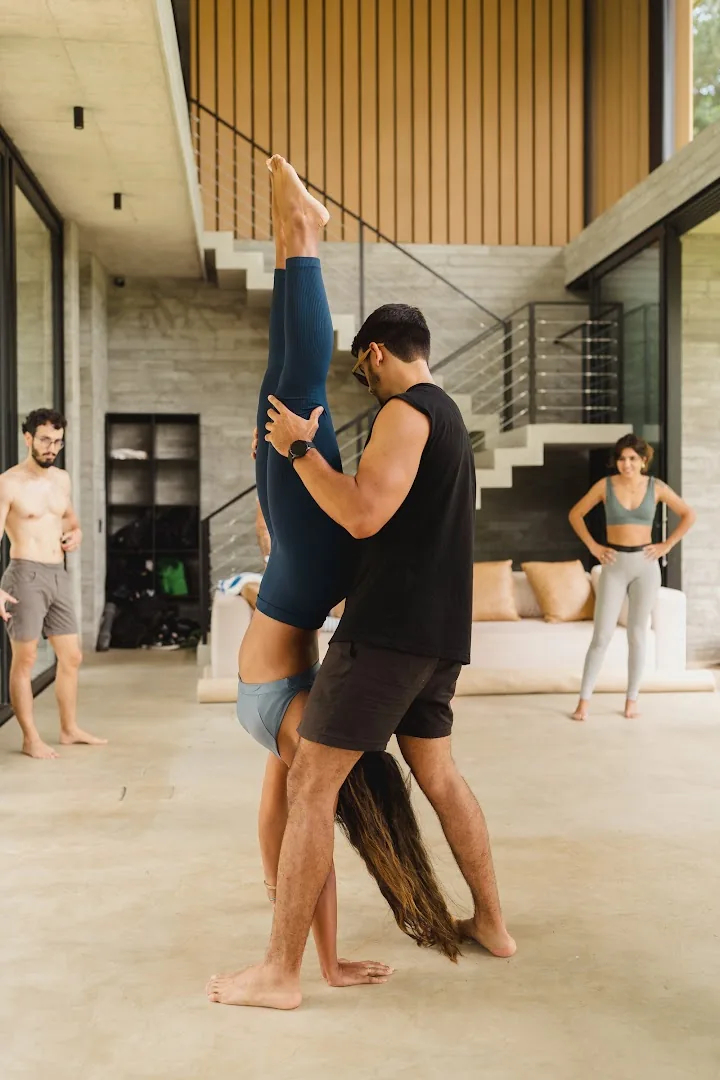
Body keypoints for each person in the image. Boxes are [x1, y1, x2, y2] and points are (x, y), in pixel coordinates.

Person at [206, 244, 515, 1011]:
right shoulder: (449, 422)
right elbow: (388, 526)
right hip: (436, 637)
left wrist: (298, 449)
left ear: (376, 353)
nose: (365, 385)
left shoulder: (407, 412)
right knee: (439, 776)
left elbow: (362, 512)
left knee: (312, 783)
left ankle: (280, 973)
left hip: (389, 637)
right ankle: (493, 923)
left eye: (362, 372)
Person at [0, 409, 106, 759]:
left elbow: (70, 521)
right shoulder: (9, 483)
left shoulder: (62, 479)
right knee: (26, 659)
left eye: (58, 442)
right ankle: (30, 738)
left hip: (57, 574)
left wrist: (76, 534)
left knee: (71, 656)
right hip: (24, 575)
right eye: (45, 440)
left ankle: (68, 729)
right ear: (28, 438)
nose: (52, 448)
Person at [568, 433, 696, 722]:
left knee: (638, 634)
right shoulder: (605, 486)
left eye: (632, 459)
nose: (626, 464)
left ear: (643, 461)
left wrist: (666, 545)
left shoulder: (656, 487)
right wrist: (593, 547)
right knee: (601, 636)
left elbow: (688, 514)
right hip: (614, 565)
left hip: (646, 566)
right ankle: (583, 702)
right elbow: (576, 514)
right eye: (622, 459)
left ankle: (632, 699)